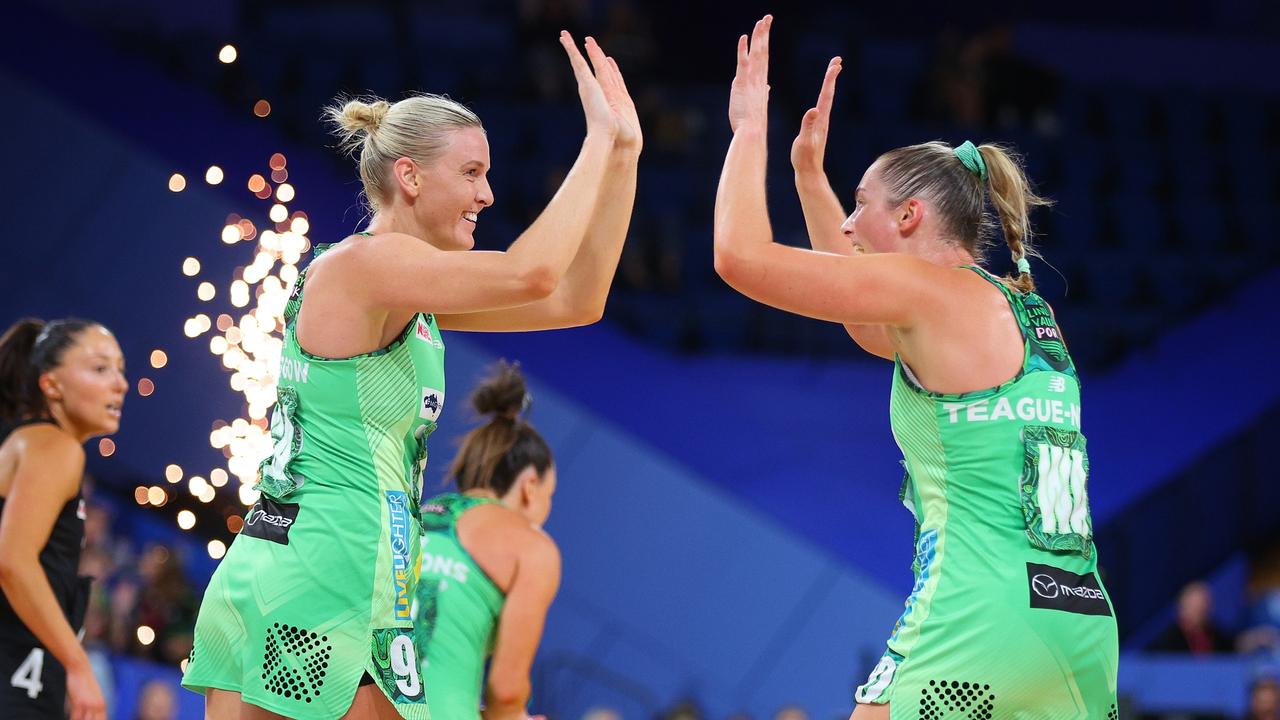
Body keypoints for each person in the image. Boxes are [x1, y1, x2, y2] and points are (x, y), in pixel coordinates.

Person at [182, 30, 641, 720]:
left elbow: (578, 300)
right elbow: (531, 270)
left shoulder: (411, 293)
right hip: (314, 579)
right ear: (411, 177)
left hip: (359, 583)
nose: (488, 194)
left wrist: (625, 156)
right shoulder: (364, 267)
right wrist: (595, 144)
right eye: (473, 173)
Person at [713, 16, 1118, 719]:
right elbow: (866, 324)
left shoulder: (926, 292)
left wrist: (749, 130)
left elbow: (738, 258)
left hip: (978, 615)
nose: (848, 224)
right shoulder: (1025, 312)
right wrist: (810, 176)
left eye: (861, 207)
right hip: (1077, 621)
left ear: (907, 218)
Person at [413, 362, 558, 719]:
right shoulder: (532, 548)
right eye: (549, 496)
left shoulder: (416, 514)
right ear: (529, 488)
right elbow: (506, 692)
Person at [0, 318, 127, 720]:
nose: (120, 384)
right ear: (51, 384)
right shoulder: (56, 446)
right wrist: (77, 665)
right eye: (100, 368)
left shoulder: (25, 441)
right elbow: (13, 560)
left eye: (121, 369)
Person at [1149, 581, 1233, 655]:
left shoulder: (1218, 636)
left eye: (1204, 607)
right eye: (1195, 608)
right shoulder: (1167, 640)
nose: (1201, 613)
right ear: (1182, 609)